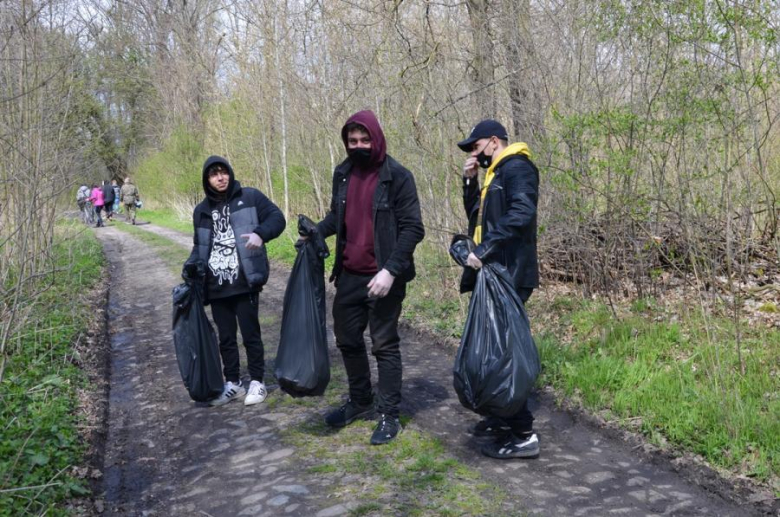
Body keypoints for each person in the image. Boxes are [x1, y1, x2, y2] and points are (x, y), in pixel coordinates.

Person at [313, 110, 425, 445]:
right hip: (349, 274)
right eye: (352, 140)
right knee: (347, 340)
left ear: (376, 139)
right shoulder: (343, 173)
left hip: (384, 277)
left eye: (364, 140)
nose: (359, 145)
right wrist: (316, 232)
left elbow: (413, 228)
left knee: (384, 344)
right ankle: (360, 400)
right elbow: (339, 216)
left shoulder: (397, 176)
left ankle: (389, 414)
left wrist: (390, 270)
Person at [457, 119, 541, 459]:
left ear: (493, 141)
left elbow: (522, 213)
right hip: (494, 273)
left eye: (475, 148)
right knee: (494, 351)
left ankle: (523, 434)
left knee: (504, 355)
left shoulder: (518, 168)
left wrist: (483, 250)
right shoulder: (495, 174)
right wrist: (469, 183)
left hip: (511, 274)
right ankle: (501, 415)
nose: (474, 154)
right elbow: (478, 218)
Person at [187, 156, 285, 407]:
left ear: (230, 173)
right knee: (226, 337)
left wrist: (261, 234)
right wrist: (190, 267)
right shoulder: (201, 211)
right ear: (206, 180)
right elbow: (200, 246)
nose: (220, 178)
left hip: (245, 280)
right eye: (214, 174)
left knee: (251, 333)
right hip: (216, 283)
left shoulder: (250, 197)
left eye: (224, 172)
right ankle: (233, 382)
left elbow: (277, 218)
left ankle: (257, 381)